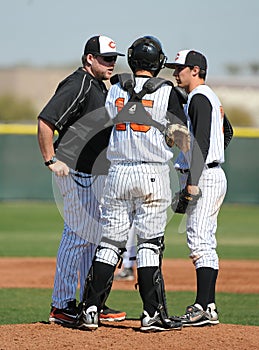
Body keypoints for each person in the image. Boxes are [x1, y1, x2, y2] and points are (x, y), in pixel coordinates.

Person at [79, 36, 188, 332]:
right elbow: (181, 135)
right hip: (152, 172)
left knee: (110, 243)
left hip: (118, 172)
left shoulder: (114, 88)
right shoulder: (168, 92)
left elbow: (111, 121)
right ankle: (152, 314)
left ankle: (90, 309)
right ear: (159, 63)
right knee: (149, 244)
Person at [37, 35, 126, 327]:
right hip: (73, 170)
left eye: (113, 59)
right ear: (90, 59)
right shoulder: (78, 84)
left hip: (91, 172)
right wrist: (51, 159)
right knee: (77, 236)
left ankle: (91, 304)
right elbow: (46, 120)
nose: (111, 63)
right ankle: (61, 305)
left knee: (94, 239)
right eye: (105, 58)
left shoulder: (99, 86)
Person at [165, 49, 232, 326]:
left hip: (204, 176)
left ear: (195, 70)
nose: (174, 72)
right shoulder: (209, 98)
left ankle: (204, 307)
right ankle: (208, 306)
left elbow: (201, 142)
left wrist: (193, 180)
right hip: (210, 172)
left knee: (200, 241)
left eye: (179, 68)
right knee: (203, 240)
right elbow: (227, 132)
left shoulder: (199, 97)